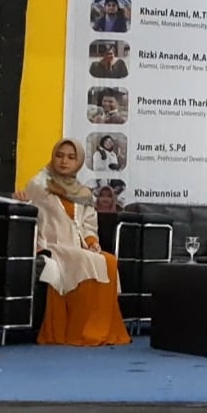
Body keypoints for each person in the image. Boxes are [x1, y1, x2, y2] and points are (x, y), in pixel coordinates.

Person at [13, 138, 130, 346]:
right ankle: (80, 331)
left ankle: (99, 328)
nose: (64, 161)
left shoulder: (83, 193)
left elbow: (88, 225)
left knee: (109, 261)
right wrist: (20, 200)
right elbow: (27, 209)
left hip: (78, 246)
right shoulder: (38, 185)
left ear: (78, 162)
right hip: (51, 245)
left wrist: (92, 242)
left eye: (70, 157)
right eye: (59, 156)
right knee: (85, 260)